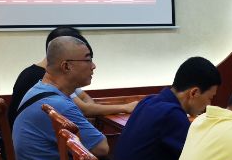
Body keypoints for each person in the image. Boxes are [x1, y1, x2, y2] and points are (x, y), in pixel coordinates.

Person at [12, 36, 109, 160]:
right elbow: (101, 148)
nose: (93, 66)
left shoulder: (39, 89)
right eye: (88, 59)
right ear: (66, 66)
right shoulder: (58, 104)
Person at [8, 26, 138, 126]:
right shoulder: (44, 78)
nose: (93, 66)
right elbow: (83, 109)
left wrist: (89, 112)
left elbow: (83, 98)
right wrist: (125, 107)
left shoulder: (57, 74)